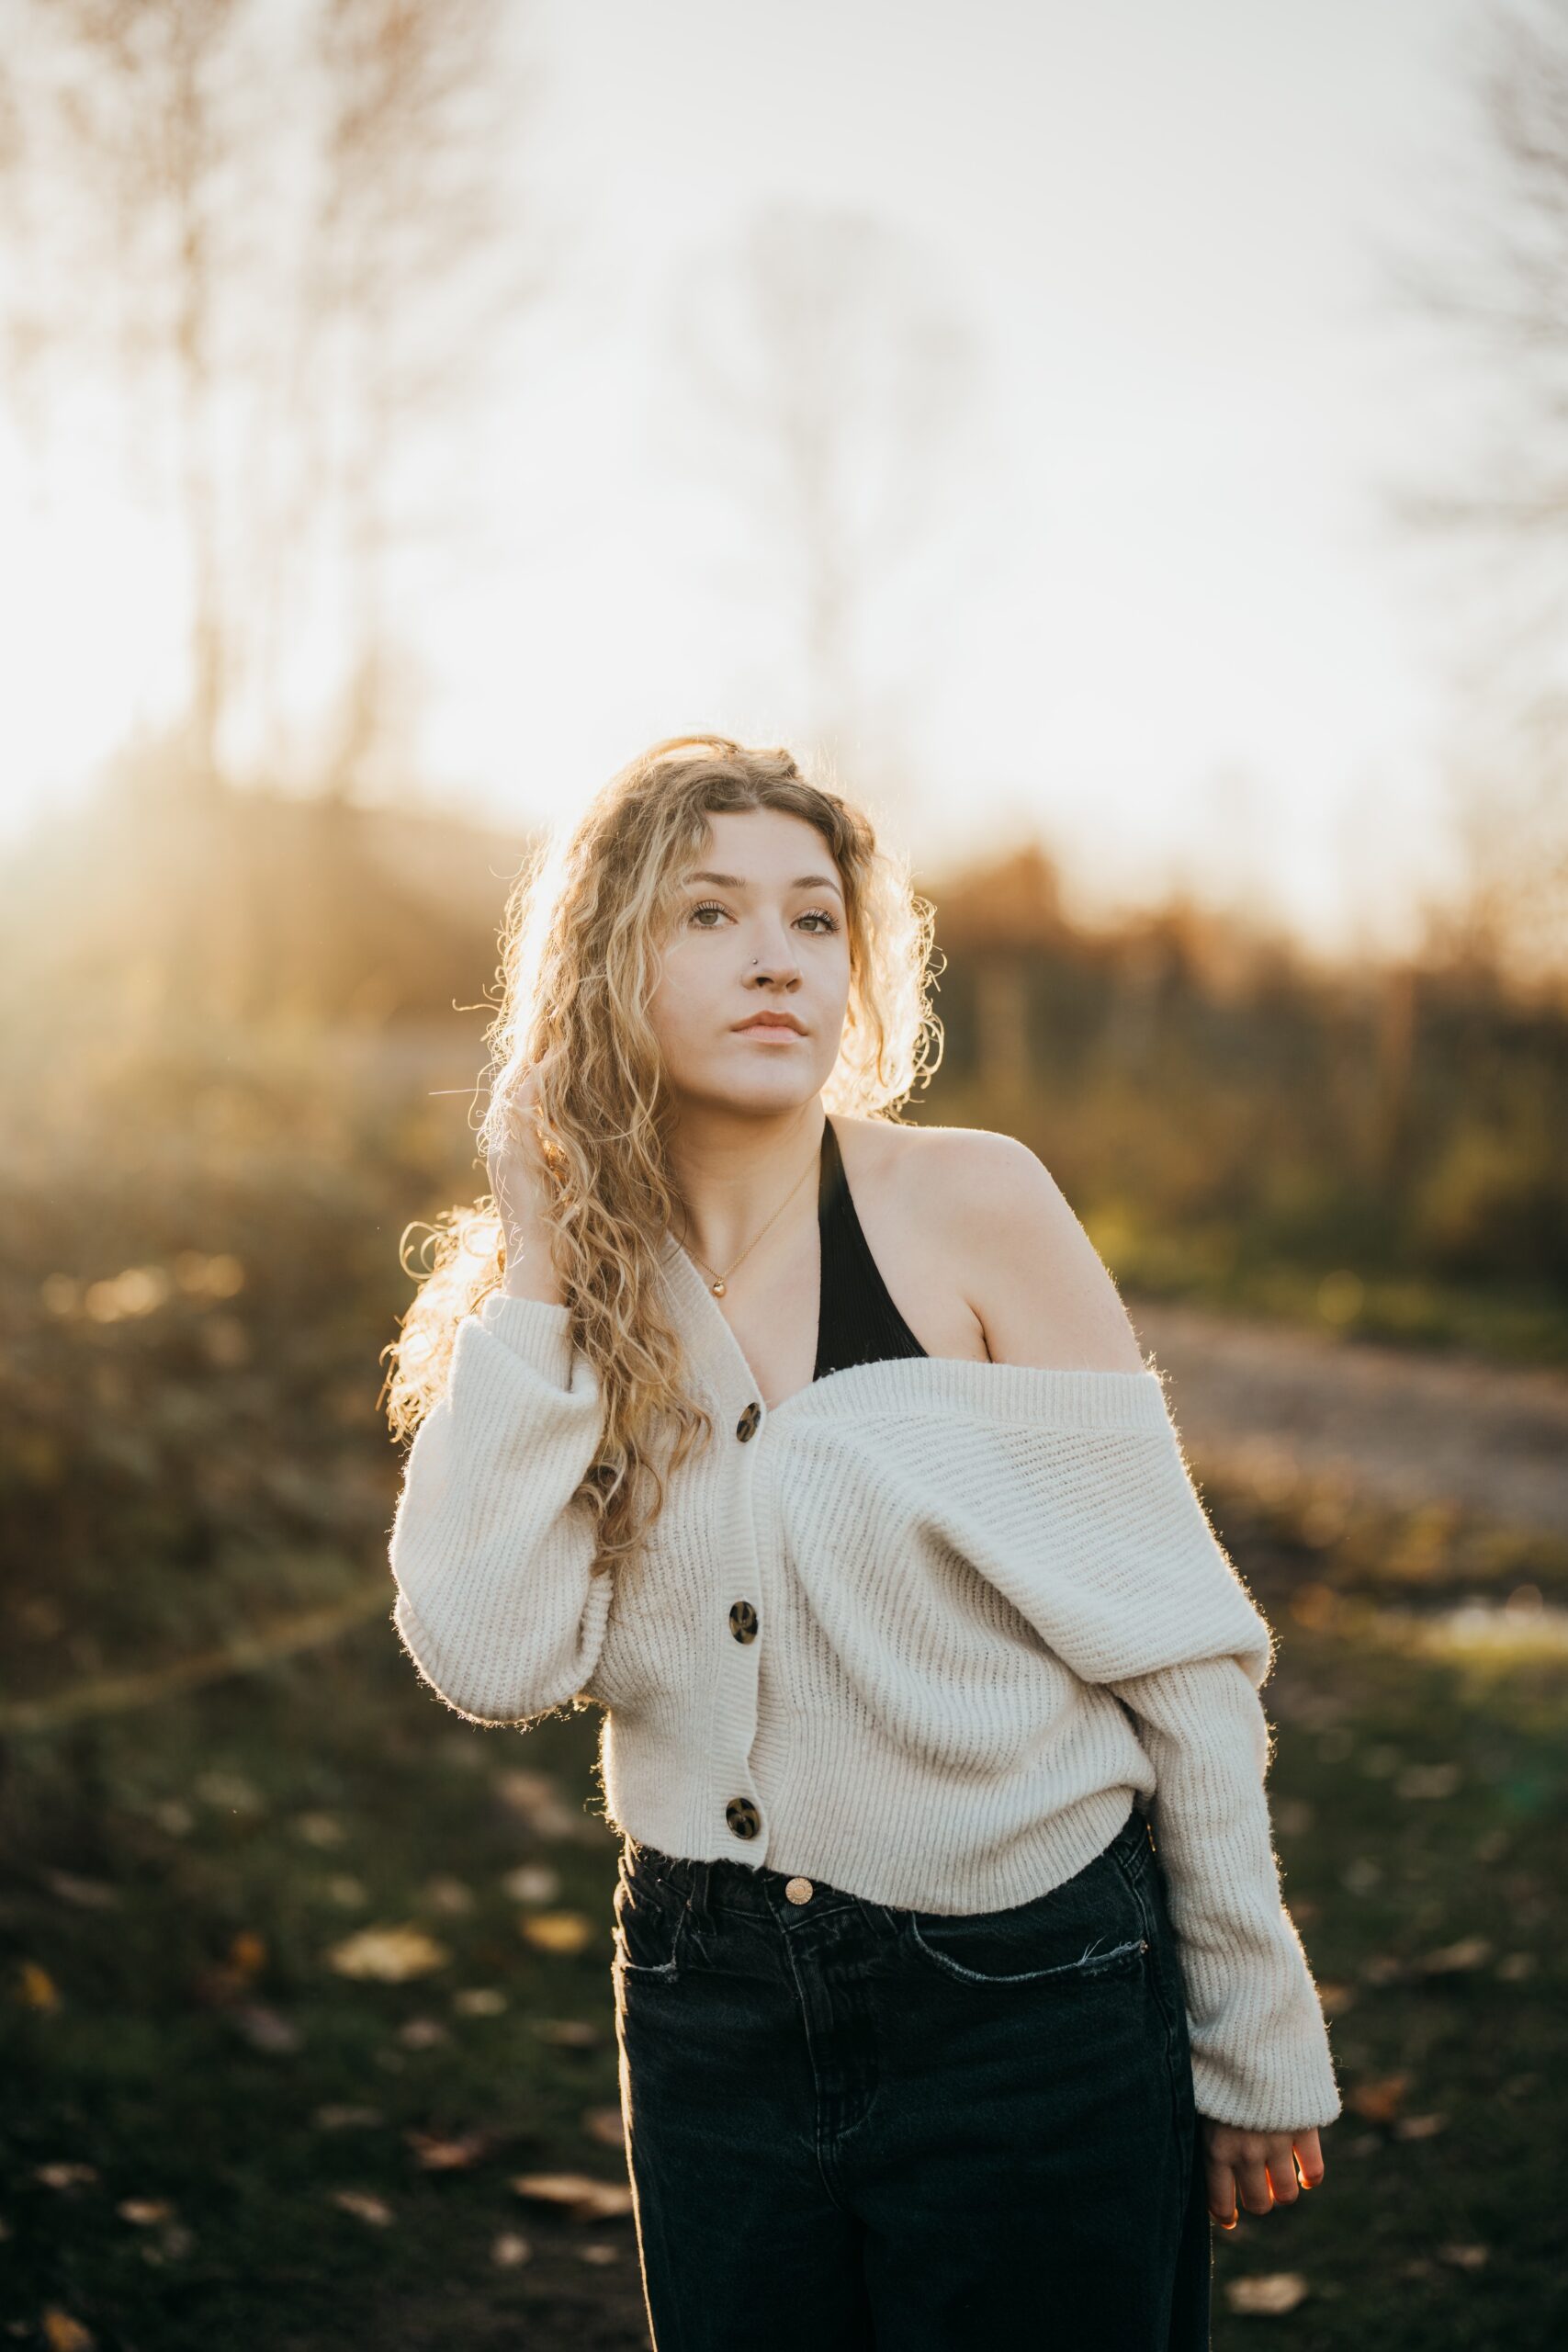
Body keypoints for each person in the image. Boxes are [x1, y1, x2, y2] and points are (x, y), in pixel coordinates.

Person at [381, 734, 1339, 2350]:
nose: (775, 958)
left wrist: (1253, 2030)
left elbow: (1176, 1653)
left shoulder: (978, 1208)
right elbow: (487, 1654)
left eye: (816, 920)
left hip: (1028, 1996)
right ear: (607, 961)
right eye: (707, 915)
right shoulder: (562, 1300)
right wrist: (541, 1266)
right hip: (711, 2006)